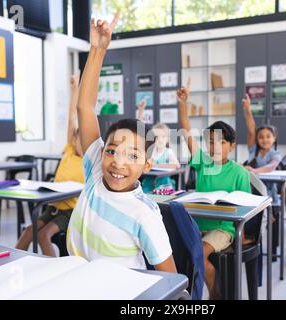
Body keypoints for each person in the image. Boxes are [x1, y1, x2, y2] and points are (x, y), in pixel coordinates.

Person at [66, 15, 177, 273]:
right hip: (75, 281)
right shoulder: (95, 171)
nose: (118, 161)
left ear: (147, 165)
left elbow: (170, 280)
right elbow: (85, 106)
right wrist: (98, 49)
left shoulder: (144, 214)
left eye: (133, 156)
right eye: (112, 150)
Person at [178, 79, 251, 299]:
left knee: (199, 253)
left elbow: (245, 209)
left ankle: (214, 296)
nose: (214, 147)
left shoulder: (240, 173)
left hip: (222, 229)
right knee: (180, 251)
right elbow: (185, 131)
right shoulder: (203, 162)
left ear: (231, 145)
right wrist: (183, 103)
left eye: (220, 142)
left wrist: (242, 236)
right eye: (210, 142)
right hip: (197, 224)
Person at [16, 73, 84, 257]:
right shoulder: (69, 150)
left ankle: (52, 268)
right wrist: (74, 89)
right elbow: (72, 119)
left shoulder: (90, 160)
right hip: (51, 207)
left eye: (84, 140)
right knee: (29, 231)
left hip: (70, 212)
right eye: (77, 138)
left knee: (44, 235)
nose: (79, 142)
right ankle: (14, 262)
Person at [242, 93, 281, 204]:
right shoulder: (253, 150)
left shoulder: (275, 153)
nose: (264, 139)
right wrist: (248, 110)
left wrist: (254, 171)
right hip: (251, 191)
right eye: (261, 137)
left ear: (274, 138)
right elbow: (251, 130)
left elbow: (271, 166)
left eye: (268, 136)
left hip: (268, 193)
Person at [137, 99, 181, 193]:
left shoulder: (168, 152)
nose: (160, 140)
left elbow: (176, 165)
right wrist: (141, 111)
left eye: (163, 137)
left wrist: (158, 165)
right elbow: (141, 131)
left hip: (164, 185)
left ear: (167, 139)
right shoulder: (151, 151)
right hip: (149, 183)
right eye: (157, 137)